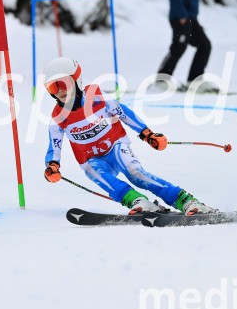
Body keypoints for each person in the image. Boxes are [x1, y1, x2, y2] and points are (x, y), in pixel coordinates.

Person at [41, 57, 215, 215]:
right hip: (92, 159)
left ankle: (186, 201)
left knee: (135, 174)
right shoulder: (58, 118)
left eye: (63, 84)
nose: (60, 91)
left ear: (76, 81)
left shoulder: (96, 98)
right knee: (91, 171)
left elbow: (124, 113)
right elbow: (54, 146)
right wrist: (52, 166)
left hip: (116, 147)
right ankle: (138, 201)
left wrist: (147, 134)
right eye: (53, 87)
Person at [157, 0, 212, 89]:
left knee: (204, 45)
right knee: (178, 48)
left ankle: (195, 81)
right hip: (181, 18)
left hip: (190, 18)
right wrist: (181, 15)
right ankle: (161, 81)